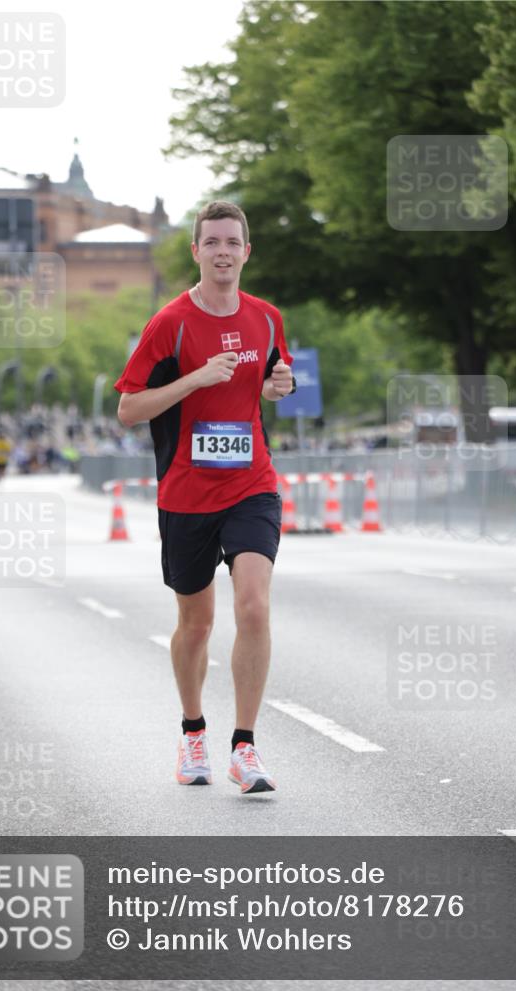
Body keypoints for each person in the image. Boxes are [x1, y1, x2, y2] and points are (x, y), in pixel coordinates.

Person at [115, 201, 296, 794]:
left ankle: (245, 748)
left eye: (232, 242)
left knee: (253, 607)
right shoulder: (170, 323)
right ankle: (193, 731)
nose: (222, 251)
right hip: (187, 492)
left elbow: (269, 384)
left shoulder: (267, 319)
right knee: (196, 624)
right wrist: (193, 378)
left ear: (247, 251)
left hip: (252, 485)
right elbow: (128, 409)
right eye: (211, 242)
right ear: (196, 252)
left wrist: (279, 386)